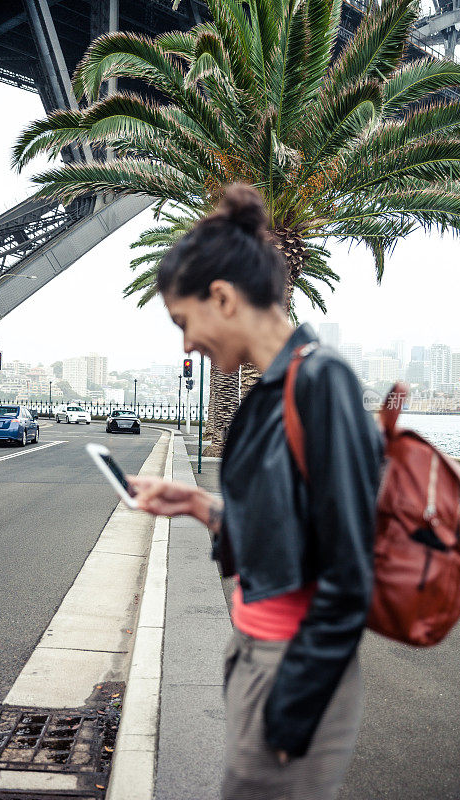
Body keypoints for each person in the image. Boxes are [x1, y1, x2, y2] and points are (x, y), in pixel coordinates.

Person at [133, 183, 385, 800]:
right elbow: (290, 530)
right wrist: (201, 506)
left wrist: (290, 708)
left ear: (221, 297)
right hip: (255, 650)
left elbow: (351, 570)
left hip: (292, 669)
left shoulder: (319, 383)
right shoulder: (274, 391)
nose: (187, 344)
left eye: (182, 322)